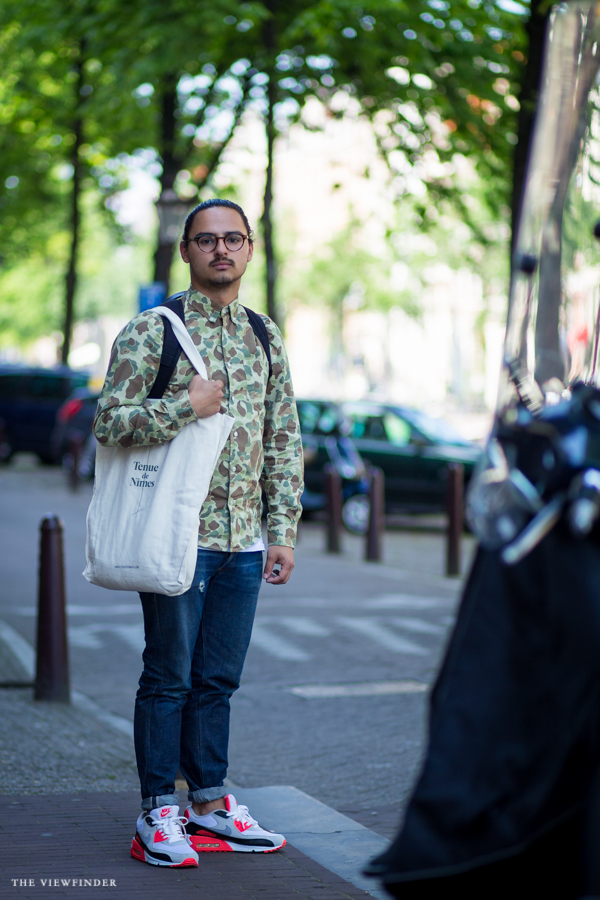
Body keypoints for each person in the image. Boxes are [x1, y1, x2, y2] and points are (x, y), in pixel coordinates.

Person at [93, 198, 304, 867]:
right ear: (186, 251)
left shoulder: (264, 336)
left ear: (250, 248)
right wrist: (186, 406)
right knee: (168, 678)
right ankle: (158, 811)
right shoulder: (152, 331)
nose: (221, 250)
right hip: (175, 537)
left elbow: (283, 441)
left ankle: (208, 805)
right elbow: (109, 422)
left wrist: (282, 530)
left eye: (233, 238)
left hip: (244, 542)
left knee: (218, 681)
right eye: (206, 239)